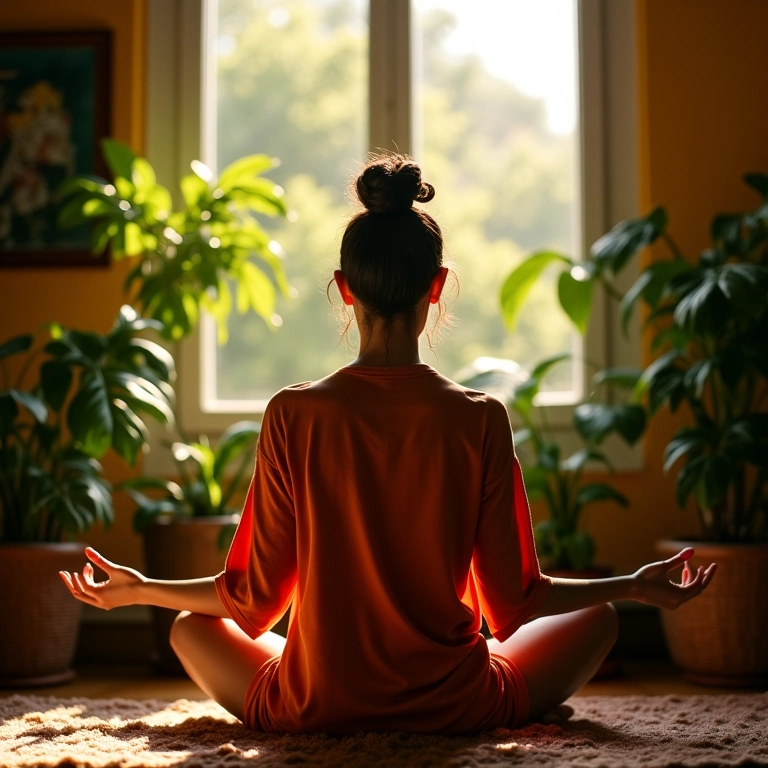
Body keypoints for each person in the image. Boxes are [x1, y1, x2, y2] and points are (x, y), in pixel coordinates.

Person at [60, 154, 716, 735]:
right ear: (438, 286)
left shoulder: (292, 414)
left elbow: (251, 601)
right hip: (458, 705)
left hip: (314, 705)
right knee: (601, 619)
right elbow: (516, 605)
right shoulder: (479, 418)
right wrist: (633, 585)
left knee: (185, 628)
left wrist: (141, 587)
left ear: (344, 290)